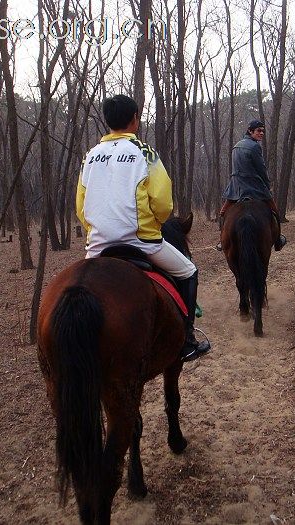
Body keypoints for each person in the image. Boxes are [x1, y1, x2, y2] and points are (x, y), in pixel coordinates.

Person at [76, 94, 211, 363]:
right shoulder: (145, 152)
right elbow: (162, 201)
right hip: (141, 241)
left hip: (98, 246)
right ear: (135, 119)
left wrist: (96, 231)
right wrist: (156, 224)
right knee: (189, 271)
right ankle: (186, 340)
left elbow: (81, 205)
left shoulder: (90, 157)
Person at [216, 120, 287, 252]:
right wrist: (267, 186)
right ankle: (277, 241)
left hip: (236, 188)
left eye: (263, 131)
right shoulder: (255, 147)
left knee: (223, 212)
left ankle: (222, 240)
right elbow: (261, 169)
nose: (261, 133)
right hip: (254, 186)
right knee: (275, 211)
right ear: (250, 131)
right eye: (258, 130)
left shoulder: (236, 146)